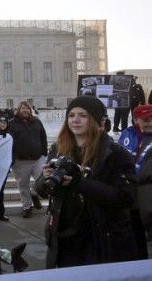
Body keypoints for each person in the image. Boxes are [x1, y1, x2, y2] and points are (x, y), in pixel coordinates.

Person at [34, 96, 139, 268]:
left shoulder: (114, 153)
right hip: (65, 238)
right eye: (71, 115)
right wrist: (45, 179)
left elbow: (126, 197)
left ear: (97, 120)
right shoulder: (58, 149)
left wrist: (78, 183)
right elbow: (41, 189)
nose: (75, 120)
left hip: (102, 237)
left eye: (83, 115)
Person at [119, 104, 152, 253]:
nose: (150, 123)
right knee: (134, 231)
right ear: (136, 119)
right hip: (131, 189)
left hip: (147, 191)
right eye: (145, 120)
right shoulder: (128, 133)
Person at [9, 101, 47, 218]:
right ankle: (27, 206)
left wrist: (44, 153)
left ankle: (34, 193)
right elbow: (7, 141)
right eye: (22, 108)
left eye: (27, 108)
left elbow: (43, 136)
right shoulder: (12, 123)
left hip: (37, 159)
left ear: (30, 110)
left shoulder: (37, 121)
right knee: (23, 185)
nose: (25, 110)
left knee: (43, 180)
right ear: (18, 110)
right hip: (21, 161)